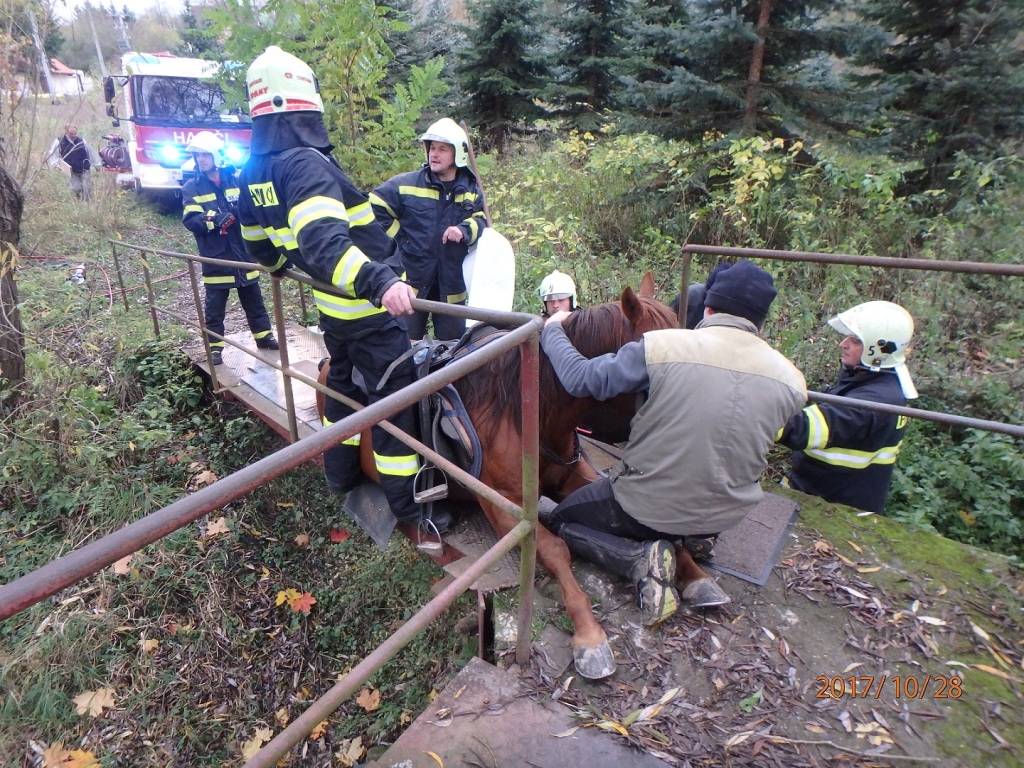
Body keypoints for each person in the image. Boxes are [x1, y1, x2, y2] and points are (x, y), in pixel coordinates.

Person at [236, 46, 449, 533]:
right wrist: (382, 281)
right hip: (367, 312)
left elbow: (260, 247)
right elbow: (325, 243)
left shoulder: (250, 172)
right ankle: (411, 510)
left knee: (345, 391)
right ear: (307, 103)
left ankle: (340, 475)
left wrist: (278, 265)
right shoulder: (305, 165)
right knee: (394, 405)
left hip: (334, 313)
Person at [539, 260, 807, 625]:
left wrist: (554, 329)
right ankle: (694, 553)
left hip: (648, 509)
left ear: (708, 309)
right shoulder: (792, 379)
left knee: (560, 520)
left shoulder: (661, 348)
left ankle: (637, 560)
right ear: (760, 323)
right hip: (727, 515)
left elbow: (581, 378)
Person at [777, 300, 918, 514]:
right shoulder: (871, 379)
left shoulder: (873, 401)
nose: (843, 344)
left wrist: (747, 409)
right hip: (818, 491)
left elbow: (800, 429)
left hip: (831, 509)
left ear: (878, 350)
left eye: (854, 340)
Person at [369, 118, 487, 341]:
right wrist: (400, 241)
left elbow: (481, 220)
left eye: (442, 149)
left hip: (452, 286)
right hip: (411, 285)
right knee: (404, 345)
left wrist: (464, 230)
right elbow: (374, 204)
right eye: (432, 148)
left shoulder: (471, 190)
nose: (434, 154)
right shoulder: (407, 184)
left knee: (453, 351)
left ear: (458, 155)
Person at [180, 131, 278, 366]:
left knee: (255, 301)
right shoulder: (191, 187)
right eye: (197, 155)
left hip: (243, 254)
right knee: (215, 308)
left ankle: (264, 337)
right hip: (217, 256)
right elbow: (191, 220)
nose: (200, 159)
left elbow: (252, 209)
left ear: (217, 156)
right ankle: (214, 349)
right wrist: (214, 220)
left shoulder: (236, 180)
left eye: (205, 154)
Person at [54, 124, 99, 201]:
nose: (74, 135)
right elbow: (54, 155)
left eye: (75, 133)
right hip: (72, 171)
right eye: (71, 134)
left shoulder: (81, 141)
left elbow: (90, 152)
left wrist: (96, 164)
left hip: (84, 168)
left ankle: (87, 205)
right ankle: (78, 201)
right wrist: (57, 165)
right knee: (76, 188)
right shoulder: (59, 142)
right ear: (66, 132)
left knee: (86, 188)